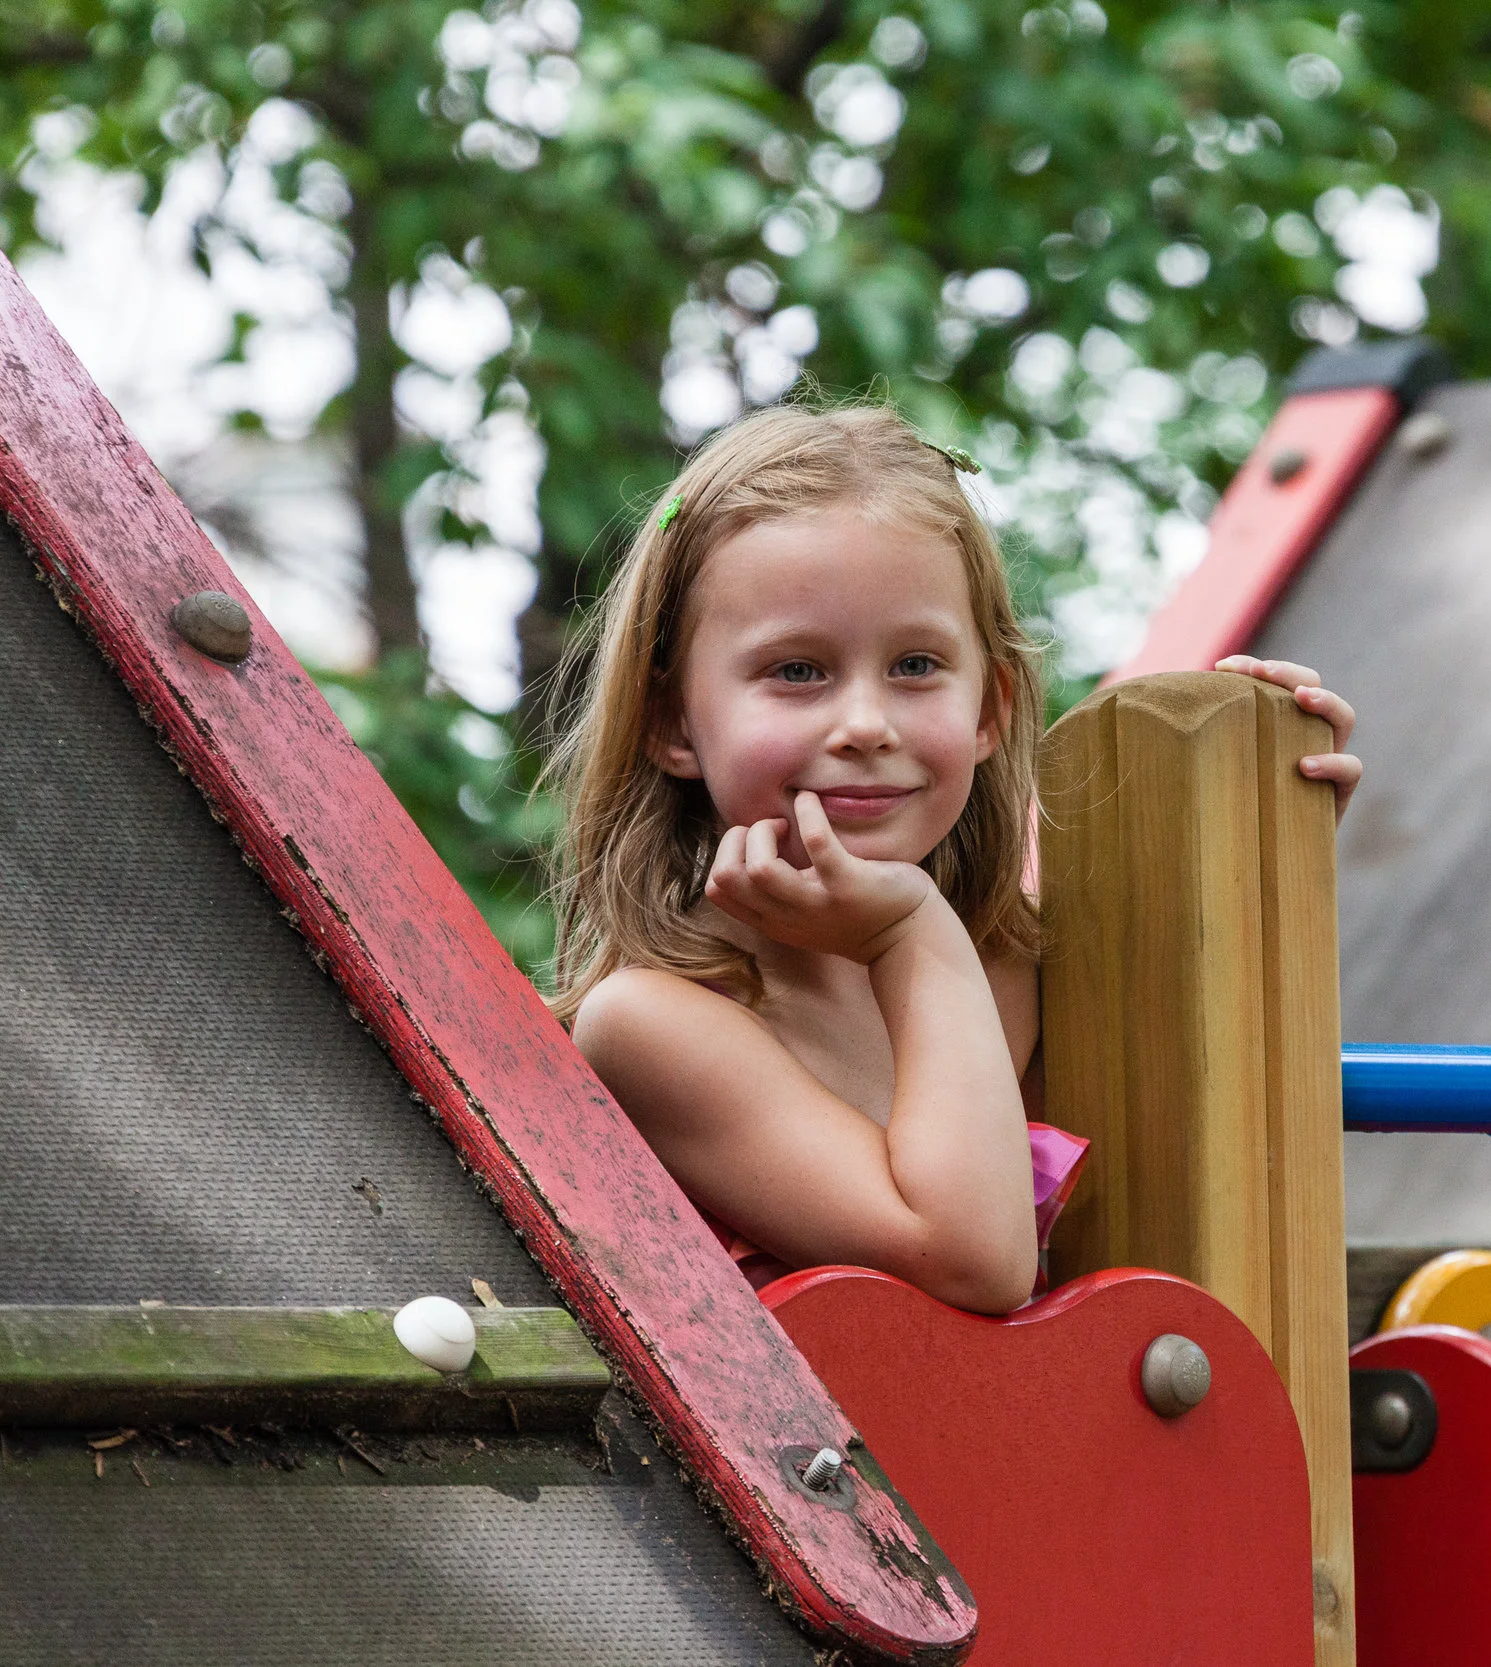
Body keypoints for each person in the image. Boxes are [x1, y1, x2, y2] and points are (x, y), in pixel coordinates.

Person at [545, 402, 1360, 1314]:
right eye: (797, 671)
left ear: (988, 709)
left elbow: (1216, 1090)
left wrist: (1268, 837)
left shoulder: (1022, 963)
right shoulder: (652, 1021)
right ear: (670, 722)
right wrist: (908, 933)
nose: (865, 725)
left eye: (916, 666)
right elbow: (969, 1259)